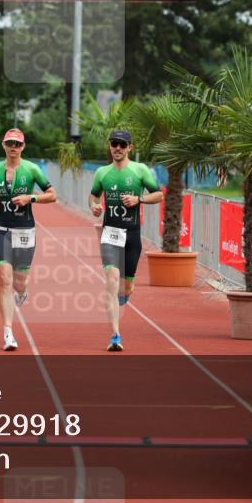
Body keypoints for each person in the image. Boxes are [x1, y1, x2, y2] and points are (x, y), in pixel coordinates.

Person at [0, 128, 57, 351]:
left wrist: (30, 198)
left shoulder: (32, 169)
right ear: (3, 145)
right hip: (0, 228)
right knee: (5, 279)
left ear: (23, 147)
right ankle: (8, 332)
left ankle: (22, 293)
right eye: (10, 143)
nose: (13, 147)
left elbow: (52, 195)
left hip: (24, 230)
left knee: (19, 282)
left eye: (18, 144)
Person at [89, 130, 163, 352]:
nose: (118, 148)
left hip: (132, 234)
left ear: (130, 147)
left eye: (122, 144)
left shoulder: (140, 170)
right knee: (111, 280)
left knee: (126, 288)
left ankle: (125, 295)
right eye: (114, 144)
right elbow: (93, 196)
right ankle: (115, 335)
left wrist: (138, 199)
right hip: (110, 233)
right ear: (110, 146)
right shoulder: (102, 172)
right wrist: (94, 206)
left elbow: (158, 195)